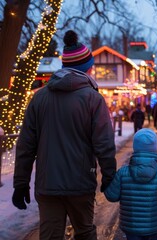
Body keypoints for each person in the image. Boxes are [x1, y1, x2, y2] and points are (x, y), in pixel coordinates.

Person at [12, 30, 116, 240]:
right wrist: (109, 175)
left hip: (48, 183)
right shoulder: (93, 99)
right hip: (80, 183)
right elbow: (103, 143)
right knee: (85, 232)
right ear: (87, 68)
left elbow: (26, 144)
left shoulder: (39, 98)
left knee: (50, 236)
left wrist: (21, 182)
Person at [104, 128, 157, 240]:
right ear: (154, 148)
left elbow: (111, 196)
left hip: (130, 226)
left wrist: (107, 180)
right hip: (153, 226)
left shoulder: (123, 173)